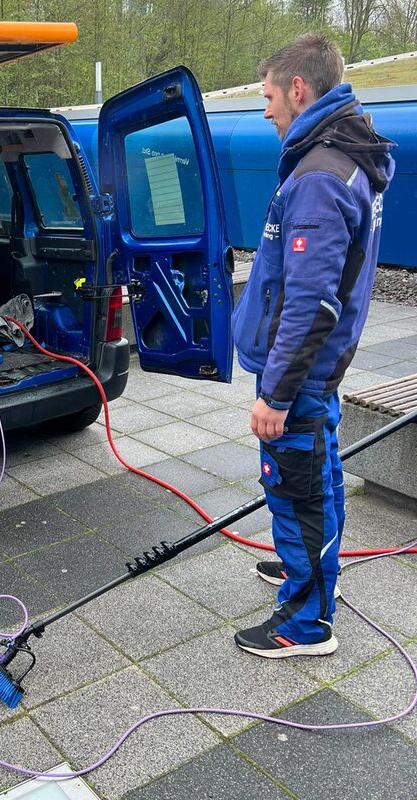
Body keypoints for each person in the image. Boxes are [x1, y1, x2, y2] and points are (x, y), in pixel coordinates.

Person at [231, 33, 395, 658]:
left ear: (298, 89)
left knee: (295, 479)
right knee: (316, 472)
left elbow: (311, 303)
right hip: (317, 372)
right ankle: (311, 568)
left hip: (298, 374)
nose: (266, 109)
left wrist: (274, 393)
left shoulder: (319, 176)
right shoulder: (341, 157)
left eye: (269, 95)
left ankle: (305, 621)